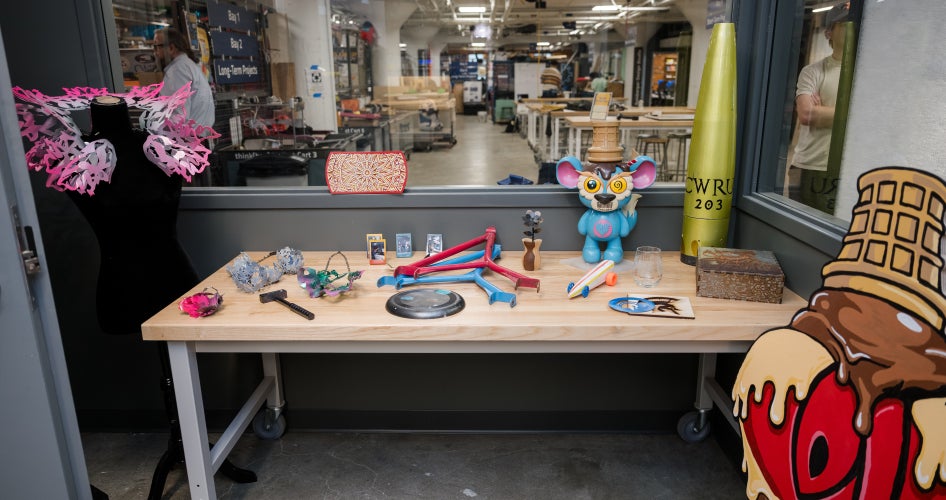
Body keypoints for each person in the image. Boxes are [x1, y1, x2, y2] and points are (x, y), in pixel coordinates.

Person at [788, 3, 851, 206]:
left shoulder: (864, 75)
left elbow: (872, 119)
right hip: (808, 166)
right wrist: (852, 114)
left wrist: (826, 113)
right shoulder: (813, 72)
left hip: (843, 169)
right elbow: (807, 114)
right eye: (844, 24)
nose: (851, 28)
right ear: (829, 32)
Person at [153, 28, 215, 127]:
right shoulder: (189, 65)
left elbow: (177, 116)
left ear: (171, 48)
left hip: (185, 138)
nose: (155, 53)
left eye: (157, 47)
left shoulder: (177, 71)